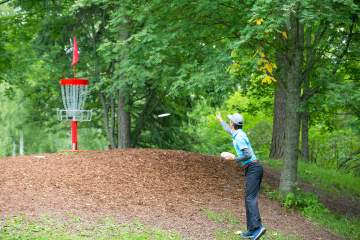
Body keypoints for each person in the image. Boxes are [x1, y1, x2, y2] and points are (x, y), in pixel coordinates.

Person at [216, 112, 266, 240]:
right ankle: (251, 230)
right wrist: (220, 120)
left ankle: (258, 227)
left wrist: (234, 157)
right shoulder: (237, 133)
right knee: (248, 198)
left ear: (233, 124)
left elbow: (248, 154)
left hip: (253, 168)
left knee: (250, 198)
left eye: (230, 121)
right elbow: (228, 130)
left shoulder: (239, 137)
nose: (229, 123)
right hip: (252, 168)